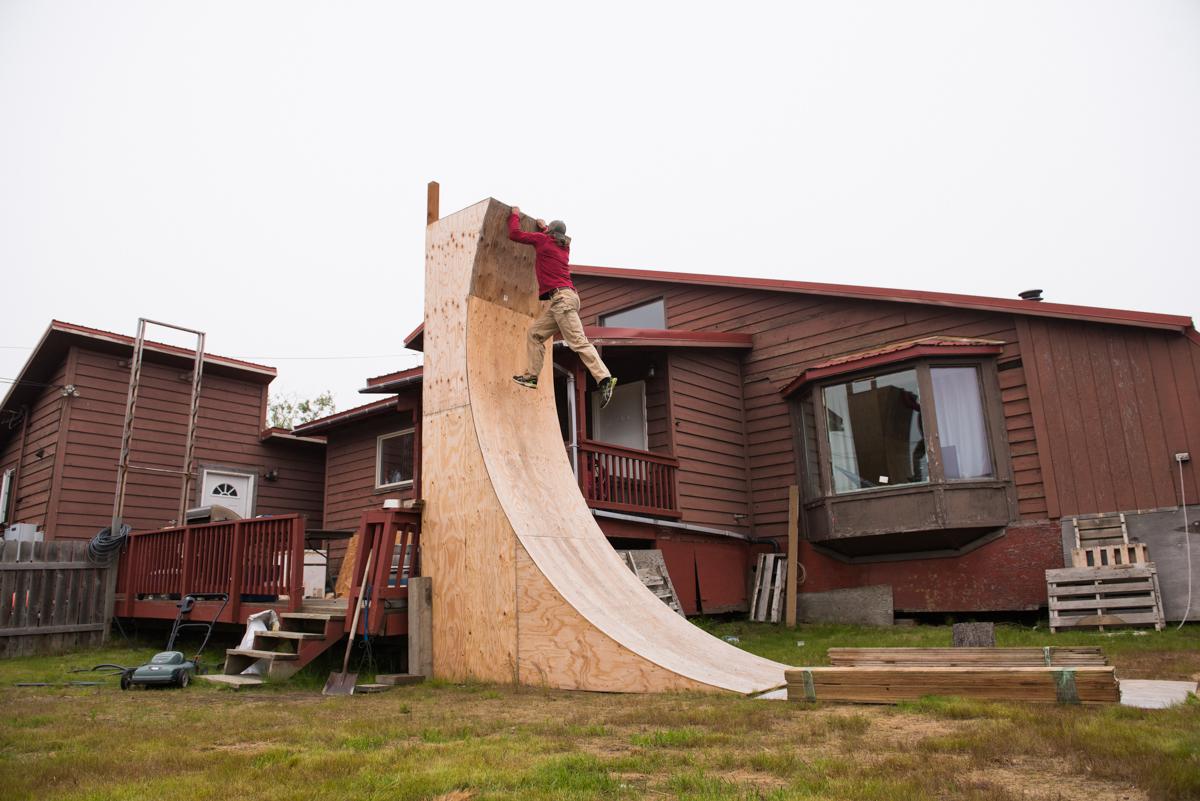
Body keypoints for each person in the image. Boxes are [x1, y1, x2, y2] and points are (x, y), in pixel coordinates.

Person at [508, 205, 617, 408]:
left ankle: (604, 378)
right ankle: (532, 376)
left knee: (578, 342)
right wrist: (544, 227)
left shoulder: (543, 240)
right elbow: (549, 238)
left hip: (562, 300)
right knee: (535, 334)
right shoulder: (563, 246)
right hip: (564, 299)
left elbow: (515, 234)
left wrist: (514, 214)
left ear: (549, 232)